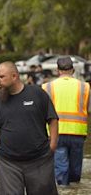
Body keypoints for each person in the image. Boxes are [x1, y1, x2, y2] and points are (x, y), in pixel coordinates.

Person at [0, 61, 59, 195]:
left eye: (2, 77)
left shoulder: (37, 93)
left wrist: (53, 145)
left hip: (40, 159)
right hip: (9, 162)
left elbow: (52, 119)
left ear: (14, 76)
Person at [42, 56, 90, 186]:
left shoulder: (46, 87)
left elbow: (41, 114)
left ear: (57, 70)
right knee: (75, 173)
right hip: (78, 134)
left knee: (61, 172)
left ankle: (64, 191)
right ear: (73, 70)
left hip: (55, 134)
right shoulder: (85, 87)